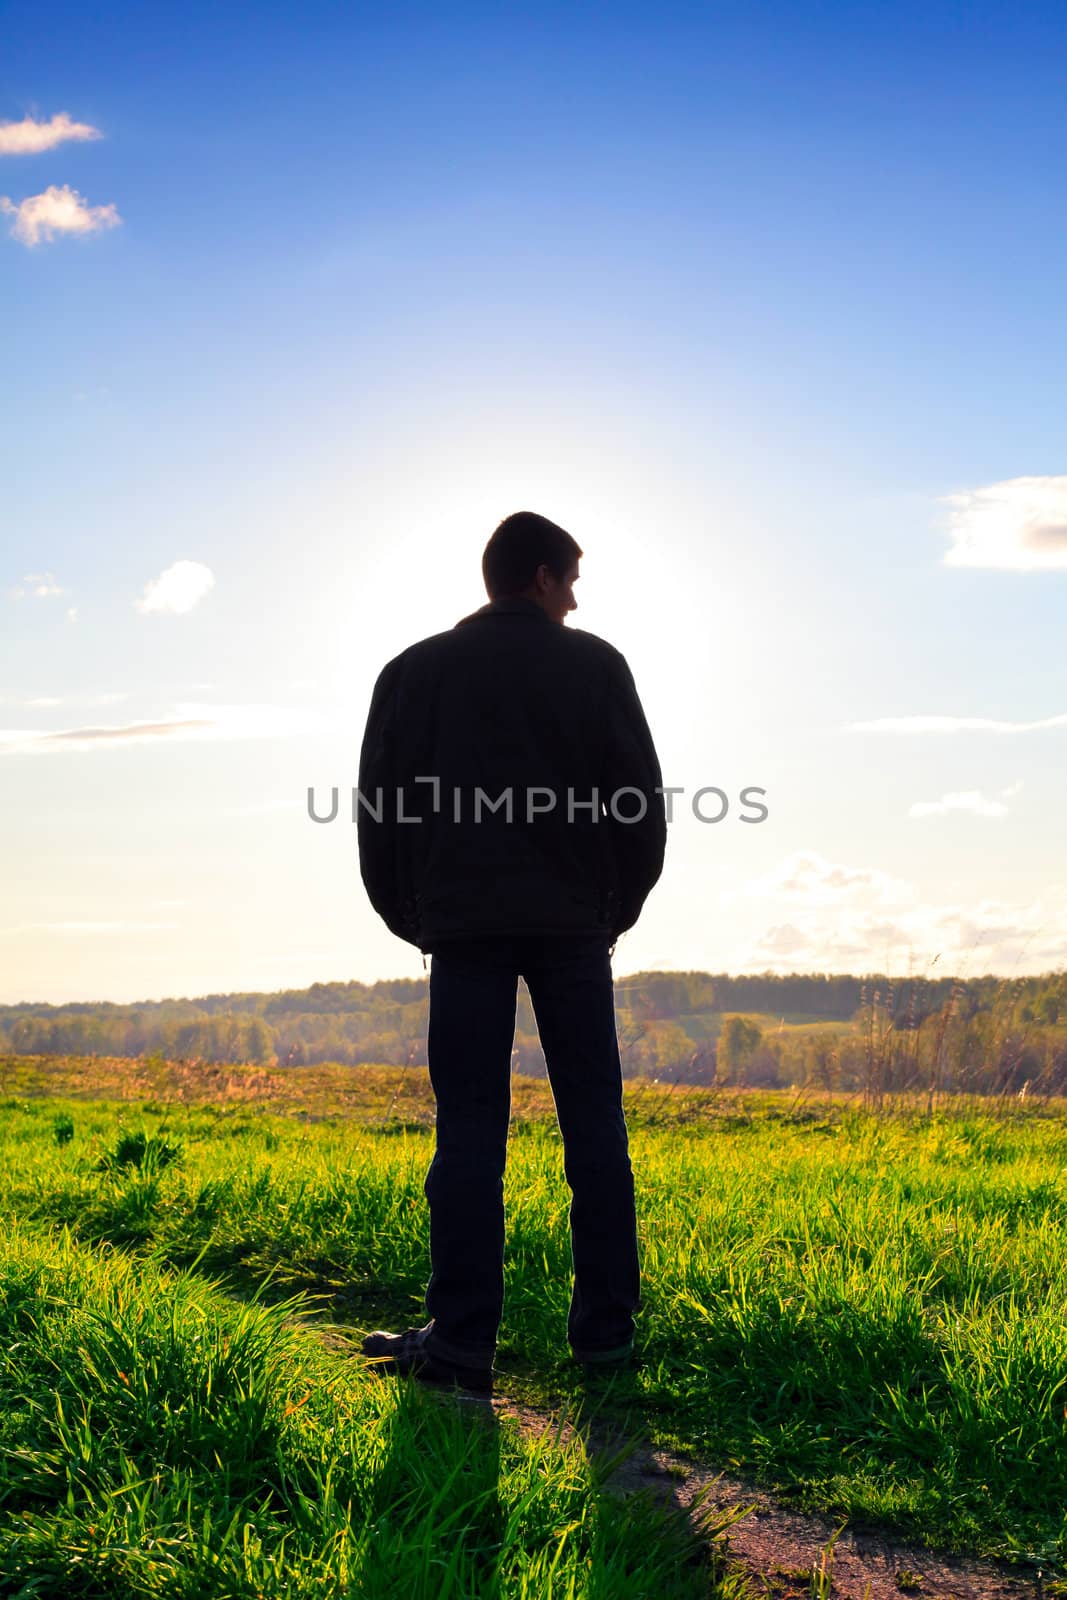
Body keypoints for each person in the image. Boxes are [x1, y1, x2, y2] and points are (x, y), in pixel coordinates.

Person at [356, 510, 666, 1394]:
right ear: (537, 577)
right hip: (573, 929)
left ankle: (459, 1347)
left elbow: (381, 813)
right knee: (595, 1132)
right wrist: (615, 910)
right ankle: (604, 1340)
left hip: (461, 930)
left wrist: (410, 917)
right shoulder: (595, 665)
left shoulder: (413, 672)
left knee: (466, 1138)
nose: (574, 597)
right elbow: (638, 805)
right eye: (569, 579)